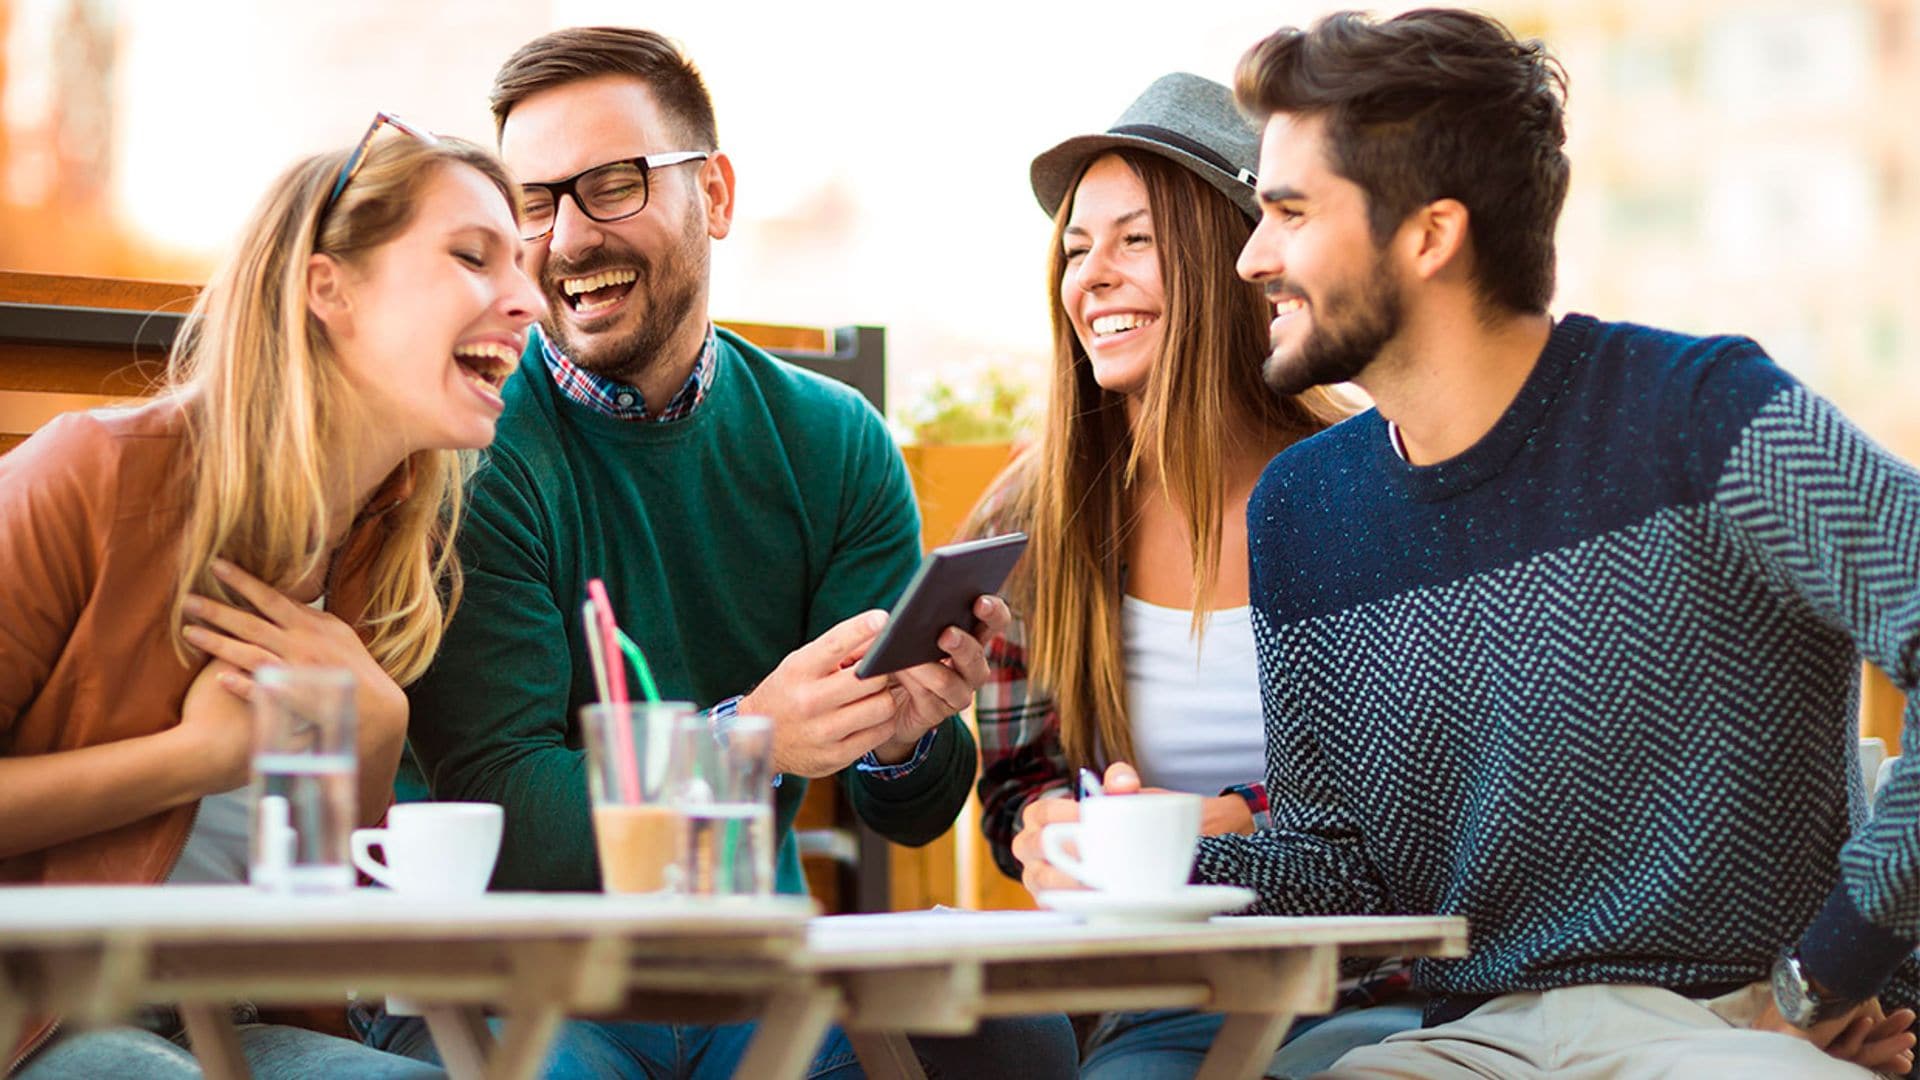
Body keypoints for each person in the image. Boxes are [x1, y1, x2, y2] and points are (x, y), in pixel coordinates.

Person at [1046, 8, 1920, 1077]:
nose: (1252, 258)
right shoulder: (1306, 513)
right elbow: (1350, 872)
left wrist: (1826, 976)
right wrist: (1167, 857)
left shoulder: (1707, 418)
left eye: (1286, 212)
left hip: (1734, 1026)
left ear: (1427, 234)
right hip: (1472, 1043)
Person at [380, 25, 1077, 1080]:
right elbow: (506, 814)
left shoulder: (835, 444)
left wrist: (900, 734)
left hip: (750, 971)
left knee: (1012, 1045)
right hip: (513, 965)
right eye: (535, 201)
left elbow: (916, 803)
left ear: (713, 195)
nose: (566, 238)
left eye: (612, 184)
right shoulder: (476, 447)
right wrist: (746, 741)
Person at [0, 120, 541, 1078]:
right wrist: (193, 759)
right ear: (326, 286)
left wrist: (374, 738)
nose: (527, 300)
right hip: (36, 1016)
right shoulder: (92, 476)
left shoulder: (380, 550)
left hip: (228, 1017)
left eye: (522, 266)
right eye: (471, 257)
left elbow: (313, 959)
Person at [966, 73, 1420, 1078]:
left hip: (1385, 988)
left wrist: (1244, 825)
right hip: (1172, 1001)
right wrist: (1045, 827)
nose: (1093, 278)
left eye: (1134, 239)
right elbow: (1017, 776)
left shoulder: (1378, 489)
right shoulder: (1033, 521)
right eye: (1077, 250)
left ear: (1235, 254)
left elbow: (1428, 779)